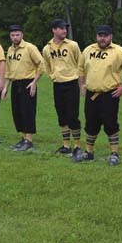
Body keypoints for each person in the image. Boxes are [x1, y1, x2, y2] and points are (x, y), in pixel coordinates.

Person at [73, 25, 122, 165]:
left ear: (111, 37)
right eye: (100, 35)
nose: (102, 38)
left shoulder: (119, 52)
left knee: (111, 124)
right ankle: (88, 152)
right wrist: (81, 85)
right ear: (96, 36)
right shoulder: (88, 50)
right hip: (91, 95)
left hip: (110, 95)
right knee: (91, 124)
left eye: (105, 35)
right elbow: (80, 68)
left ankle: (114, 153)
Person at [41, 19, 83, 156]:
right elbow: (47, 65)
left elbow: (80, 63)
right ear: (54, 30)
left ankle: (77, 145)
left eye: (65, 28)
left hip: (71, 83)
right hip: (57, 84)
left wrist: (80, 82)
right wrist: (53, 76)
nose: (64, 30)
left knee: (73, 116)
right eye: (61, 28)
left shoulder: (72, 45)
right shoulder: (47, 48)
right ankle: (66, 145)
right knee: (62, 115)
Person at [1, 25, 45, 151]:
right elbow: (9, 71)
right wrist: (5, 88)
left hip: (28, 83)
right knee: (18, 112)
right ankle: (23, 138)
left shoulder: (30, 48)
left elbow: (41, 65)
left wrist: (34, 82)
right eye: (13, 35)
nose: (15, 37)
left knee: (27, 111)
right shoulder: (10, 50)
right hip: (15, 83)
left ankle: (29, 140)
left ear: (22, 35)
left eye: (17, 35)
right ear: (10, 36)